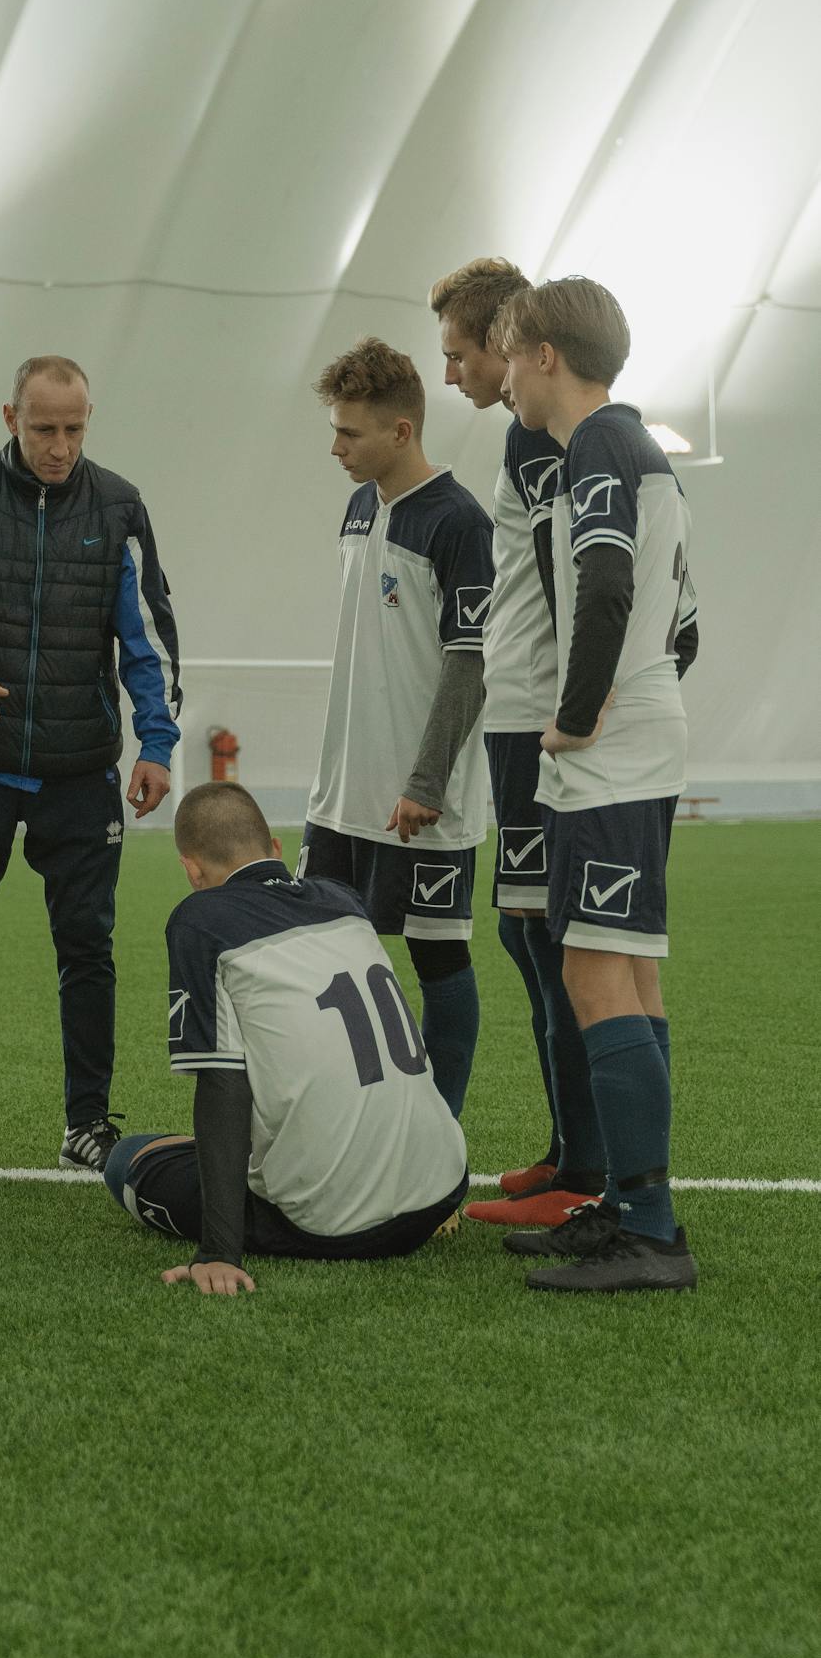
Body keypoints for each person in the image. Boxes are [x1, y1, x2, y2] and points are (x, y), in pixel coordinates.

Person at [0, 355, 182, 1172]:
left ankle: (85, 1121)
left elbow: (148, 637)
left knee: (87, 950)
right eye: (43, 427)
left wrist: (156, 744)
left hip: (78, 772)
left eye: (74, 427)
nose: (59, 446)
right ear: (10, 416)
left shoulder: (119, 505)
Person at [492, 278, 700, 1293]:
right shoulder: (634, 445)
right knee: (632, 973)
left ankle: (650, 1230)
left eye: (505, 349)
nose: (499, 373)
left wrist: (576, 714)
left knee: (594, 974)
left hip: (610, 748)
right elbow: (687, 621)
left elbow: (609, 584)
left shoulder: (601, 446)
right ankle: (627, 1200)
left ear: (542, 352)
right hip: (641, 734)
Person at [103, 782, 467, 1290]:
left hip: (332, 1224)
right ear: (275, 848)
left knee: (127, 1160)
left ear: (191, 870)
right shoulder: (343, 900)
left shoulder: (202, 920)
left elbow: (223, 1085)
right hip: (441, 1191)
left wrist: (218, 1251)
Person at [300, 337, 493, 1117]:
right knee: (327, 955)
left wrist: (425, 780)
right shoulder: (357, 506)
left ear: (401, 432)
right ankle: (354, 1121)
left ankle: (437, 1140)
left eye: (350, 432)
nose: (336, 446)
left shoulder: (458, 522)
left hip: (421, 799)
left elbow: (470, 662)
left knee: (436, 956)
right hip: (342, 793)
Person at [430, 257, 575, 1212]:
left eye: (456, 355)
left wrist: (570, 703)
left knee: (548, 941)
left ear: (502, 345)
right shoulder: (525, 444)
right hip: (517, 722)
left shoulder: (539, 441)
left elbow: (576, 581)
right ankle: (572, 1153)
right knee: (529, 938)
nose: (452, 376)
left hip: (536, 725)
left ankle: (587, 1171)